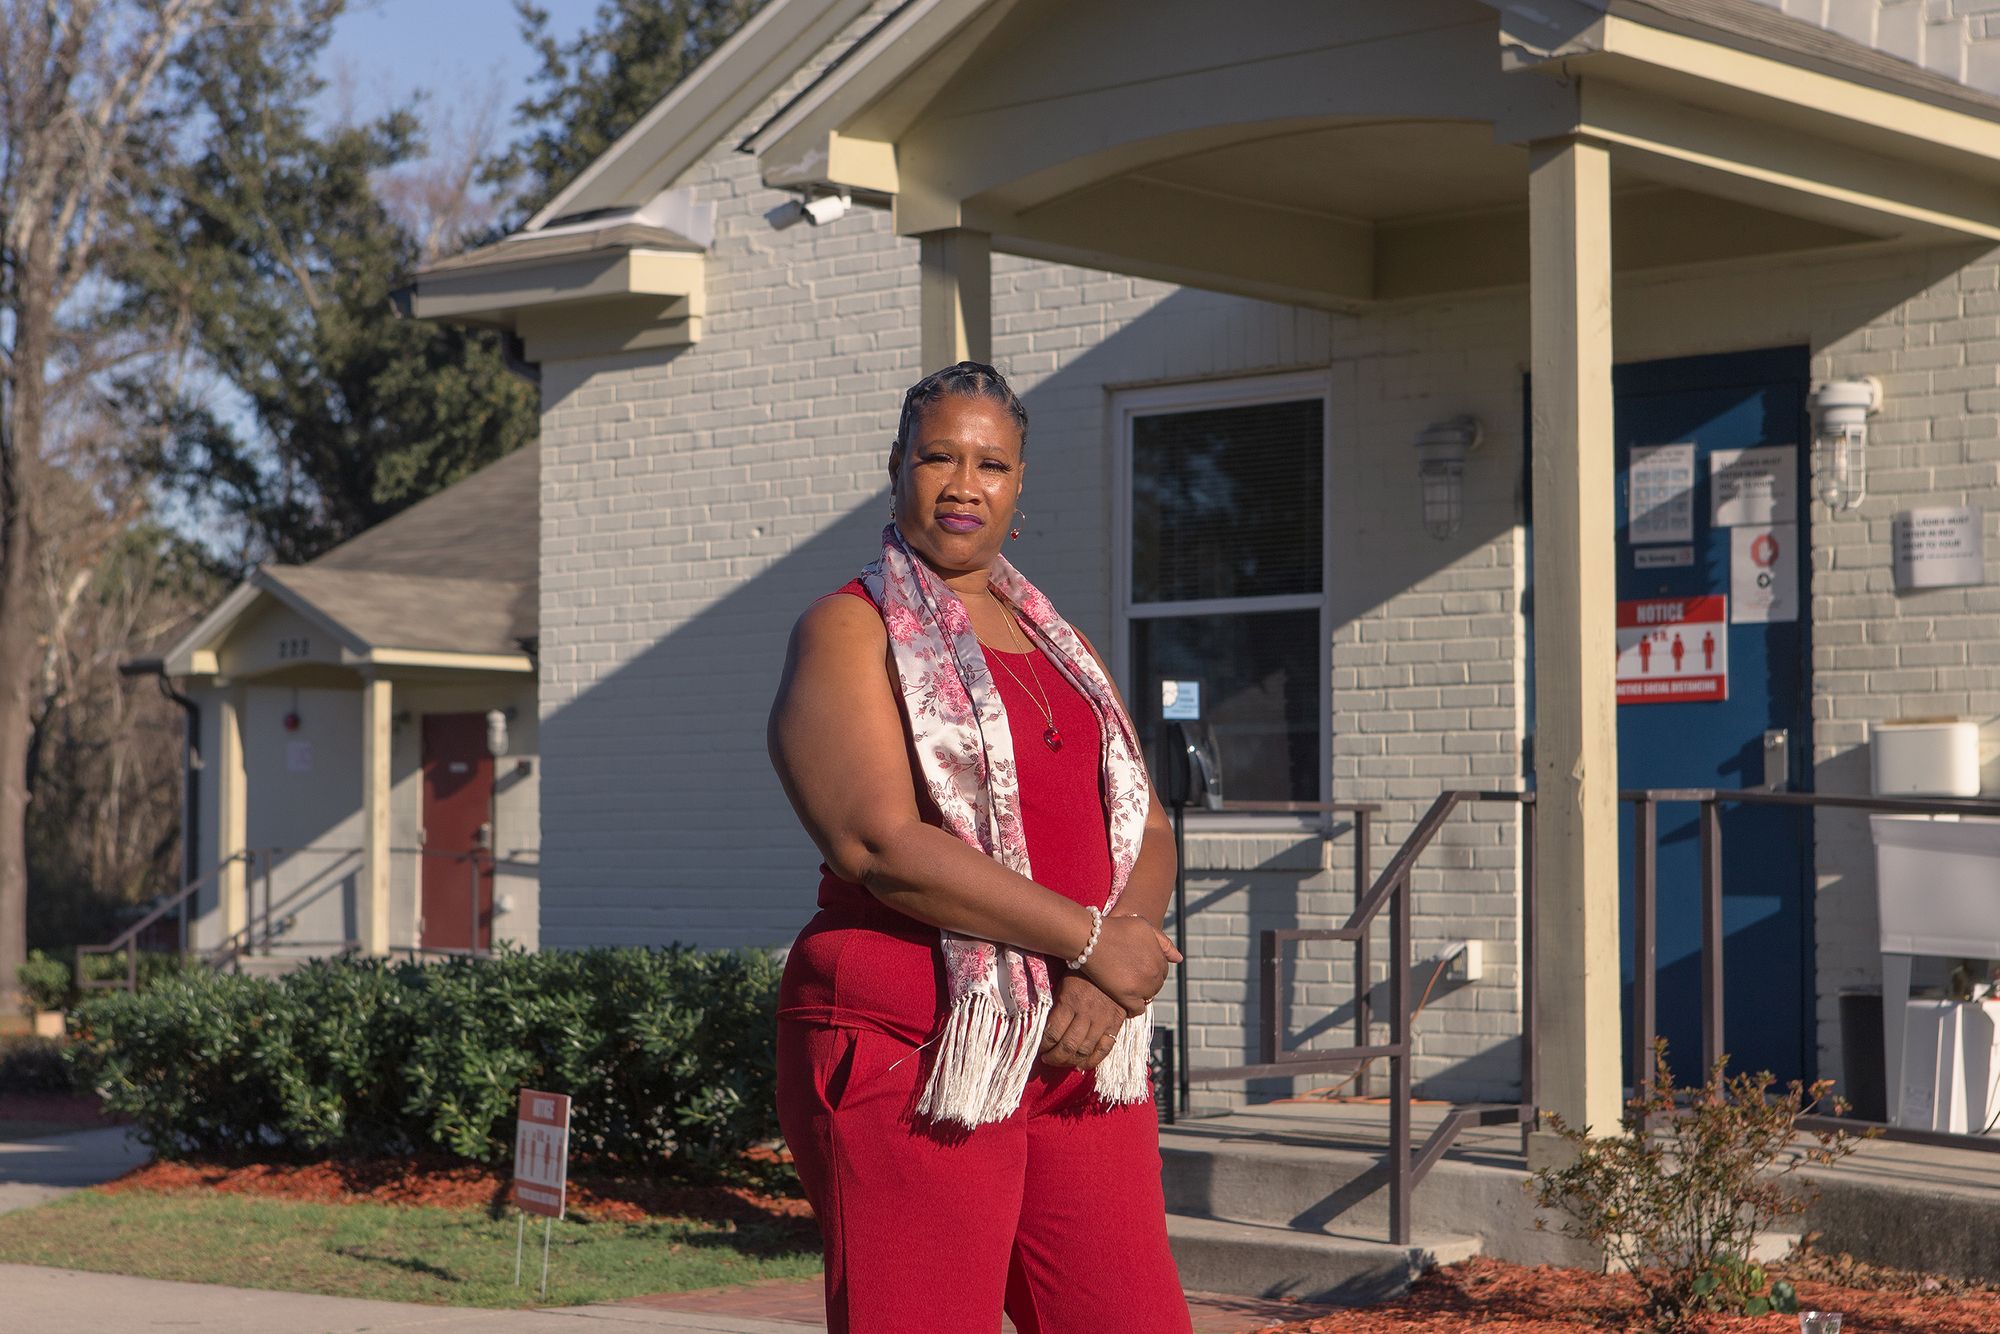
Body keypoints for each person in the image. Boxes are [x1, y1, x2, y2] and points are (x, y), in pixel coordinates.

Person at [767, 362, 1193, 1333]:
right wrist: (1091, 943)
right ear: (896, 468)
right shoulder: (848, 628)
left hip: (1078, 1041)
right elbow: (877, 842)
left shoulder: (1059, 645)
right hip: (914, 1039)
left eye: (990, 463)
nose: (964, 482)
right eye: (938, 456)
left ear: (1018, 484)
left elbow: (1145, 822)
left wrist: (1103, 972)